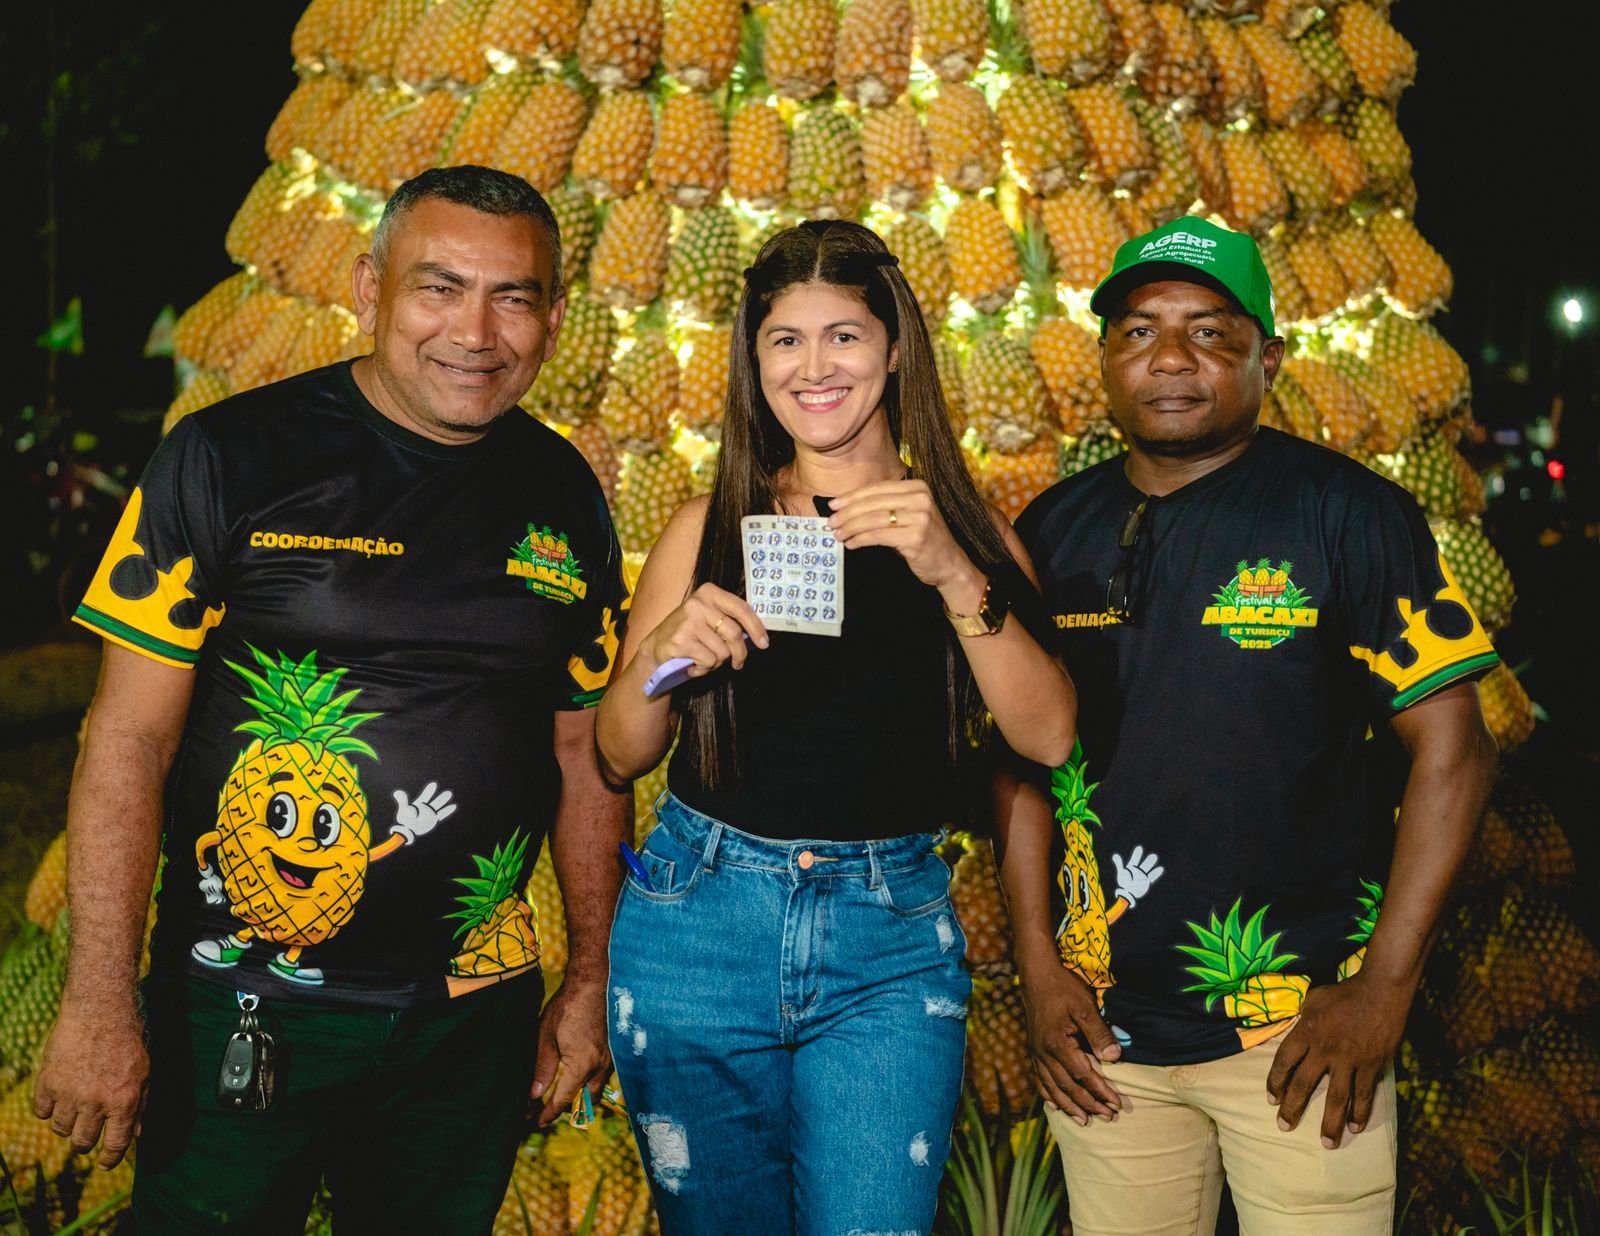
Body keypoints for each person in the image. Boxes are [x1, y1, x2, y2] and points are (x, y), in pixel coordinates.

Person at [31, 165, 632, 1233]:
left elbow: (585, 753)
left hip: (469, 1022)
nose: (475, 332)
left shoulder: (564, 491)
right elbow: (126, 740)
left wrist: (588, 980)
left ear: (553, 319)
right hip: (238, 999)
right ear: (368, 289)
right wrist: (98, 998)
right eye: (438, 288)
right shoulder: (226, 457)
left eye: (513, 297)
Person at [999, 215, 1501, 1235]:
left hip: (1302, 1035)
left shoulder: (1348, 514)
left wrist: (1382, 986)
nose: (1170, 359)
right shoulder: (1049, 531)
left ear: (1267, 359)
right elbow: (1016, 767)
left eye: (1210, 333)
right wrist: (1040, 971)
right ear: (1105, 358)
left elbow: (1455, 747)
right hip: (1105, 1040)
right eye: (1139, 332)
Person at [594, 220, 1076, 1234]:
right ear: (754, 360)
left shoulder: (972, 536)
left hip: (885, 937)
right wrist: (668, 655)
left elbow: (1048, 739)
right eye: (785, 340)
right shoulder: (706, 527)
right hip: (697, 919)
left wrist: (951, 570)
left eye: (844, 336)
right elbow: (618, 751)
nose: (814, 368)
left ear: (894, 349)